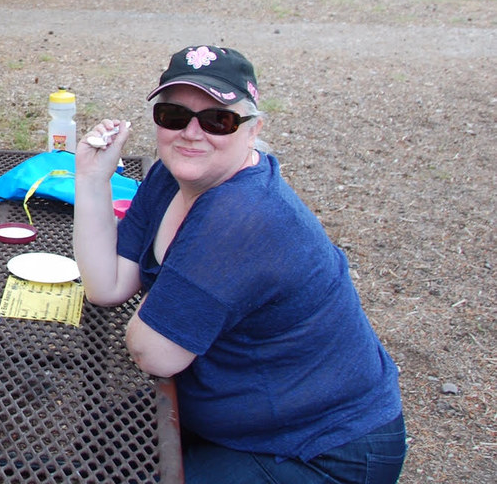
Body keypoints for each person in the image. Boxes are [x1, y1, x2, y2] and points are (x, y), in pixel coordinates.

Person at [73, 45, 406, 484]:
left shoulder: (245, 215)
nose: (191, 133)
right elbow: (106, 285)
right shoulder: (170, 176)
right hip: (232, 411)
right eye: (173, 115)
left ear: (253, 130)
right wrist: (92, 179)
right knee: (99, 443)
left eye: (218, 120)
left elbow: (152, 352)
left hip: (322, 447)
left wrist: (169, 296)